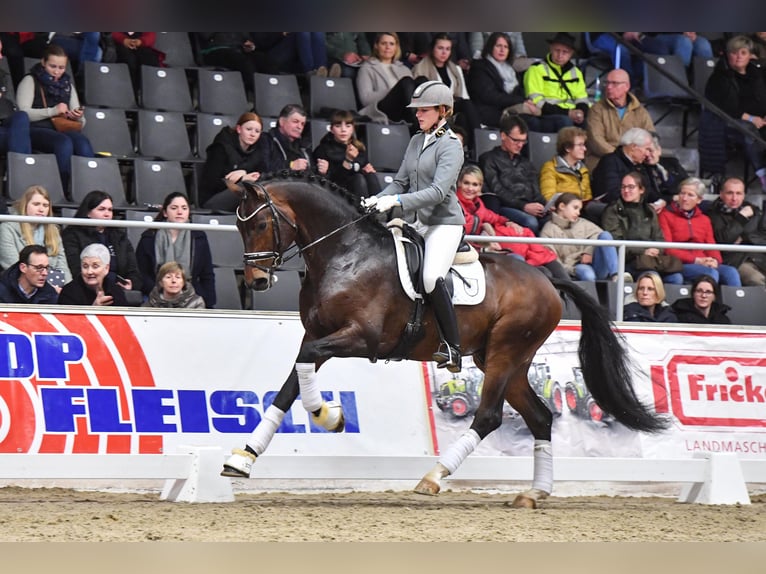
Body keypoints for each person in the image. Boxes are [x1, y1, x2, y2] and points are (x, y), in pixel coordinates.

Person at [361, 81, 465, 372]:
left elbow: (437, 192)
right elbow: (400, 181)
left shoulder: (451, 145)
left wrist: (395, 200)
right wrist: (377, 199)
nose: (418, 115)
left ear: (443, 111)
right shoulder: (416, 140)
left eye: (424, 110)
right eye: (417, 110)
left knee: (432, 278)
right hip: (415, 222)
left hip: (443, 224)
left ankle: (452, 346)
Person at [457, 165, 569, 281]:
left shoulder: (478, 204)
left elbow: (494, 217)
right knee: (518, 260)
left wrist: (508, 222)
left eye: (475, 184)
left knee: (547, 268)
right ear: (459, 183)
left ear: (480, 187)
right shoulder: (454, 204)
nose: (470, 188)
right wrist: (484, 246)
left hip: (483, 248)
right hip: (466, 251)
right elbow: (458, 235)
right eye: (466, 183)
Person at [16, 43, 94, 193]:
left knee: (83, 142)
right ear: (43, 62)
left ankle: (87, 190)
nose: (57, 72)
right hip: (36, 128)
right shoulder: (31, 80)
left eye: (61, 68)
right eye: (53, 66)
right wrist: (52, 111)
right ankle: (61, 190)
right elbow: (23, 113)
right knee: (63, 143)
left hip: (61, 128)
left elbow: (82, 122)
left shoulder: (67, 85)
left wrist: (76, 116)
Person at [704, 35, 766, 192]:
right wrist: (751, 118)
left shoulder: (756, 74)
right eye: (734, 52)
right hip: (728, 123)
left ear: (750, 55)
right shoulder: (719, 77)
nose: (739, 56)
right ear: (727, 54)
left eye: (743, 53)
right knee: (748, 129)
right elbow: (724, 108)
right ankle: (763, 174)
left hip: (759, 120)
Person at [135, 192, 216, 308]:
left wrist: (208, 302)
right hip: (155, 296)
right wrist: (160, 290)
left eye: (184, 208)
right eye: (174, 208)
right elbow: (141, 272)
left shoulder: (199, 237)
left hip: (191, 296)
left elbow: (207, 274)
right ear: (165, 212)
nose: (179, 212)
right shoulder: (149, 237)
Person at [601, 172, 683, 284]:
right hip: (628, 261)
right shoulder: (613, 210)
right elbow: (616, 242)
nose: (626, 191)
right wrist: (643, 251)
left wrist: (656, 250)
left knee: (676, 278)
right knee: (653, 277)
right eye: (623, 187)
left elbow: (659, 239)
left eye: (631, 187)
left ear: (641, 190)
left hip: (649, 261)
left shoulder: (650, 211)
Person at [658, 177, 742, 286]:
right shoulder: (665, 215)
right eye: (682, 193)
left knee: (731, 272)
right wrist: (696, 260)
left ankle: (732, 303)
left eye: (690, 195)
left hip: (702, 261)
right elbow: (668, 249)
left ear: (699, 200)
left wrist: (715, 260)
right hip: (678, 263)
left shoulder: (704, 219)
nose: (684, 198)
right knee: (710, 273)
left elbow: (711, 245)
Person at [478, 113, 547, 234]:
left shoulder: (526, 163)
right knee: (530, 222)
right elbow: (497, 191)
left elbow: (535, 190)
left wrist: (544, 205)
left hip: (528, 207)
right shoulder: (488, 159)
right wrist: (524, 206)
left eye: (523, 141)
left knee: (556, 220)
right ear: (503, 136)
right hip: (506, 207)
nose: (520, 145)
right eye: (516, 140)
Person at [61, 190, 141, 291]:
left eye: (110, 210)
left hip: (119, 289)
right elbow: (76, 269)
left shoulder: (120, 236)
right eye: (101, 209)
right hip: (86, 289)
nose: (107, 214)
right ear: (88, 213)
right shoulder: (72, 235)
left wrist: (131, 284)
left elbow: (133, 270)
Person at [412, 33, 481, 150]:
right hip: (433, 108)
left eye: (447, 49)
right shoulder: (420, 68)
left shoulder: (455, 69)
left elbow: (464, 95)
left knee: (466, 106)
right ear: (432, 49)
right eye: (440, 48)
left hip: (452, 107)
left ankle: (476, 148)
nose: (444, 52)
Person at [466, 32, 546, 130]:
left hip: (510, 109)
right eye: (498, 46)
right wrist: (521, 101)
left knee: (545, 121)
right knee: (530, 122)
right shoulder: (480, 66)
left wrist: (526, 101)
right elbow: (490, 96)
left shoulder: (511, 69)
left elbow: (519, 92)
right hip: (490, 112)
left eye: (506, 47)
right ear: (491, 47)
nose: (502, 50)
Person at [540, 192, 626, 282]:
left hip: (597, 265)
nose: (578, 213)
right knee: (587, 273)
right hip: (573, 268)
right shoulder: (548, 230)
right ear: (562, 206)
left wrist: (588, 252)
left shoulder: (582, 222)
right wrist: (572, 269)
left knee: (605, 235)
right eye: (575, 208)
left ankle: (617, 275)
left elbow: (599, 234)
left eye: (579, 210)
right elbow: (553, 262)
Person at [0, 185, 72, 291]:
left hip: (54, 288)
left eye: (45, 205)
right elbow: (13, 266)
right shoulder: (7, 228)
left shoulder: (54, 231)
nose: (41, 209)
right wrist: (49, 289)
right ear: (25, 205)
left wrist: (67, 291)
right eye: (36, 204)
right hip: (18, 288)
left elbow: (63, 266)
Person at [584, 68, 655, 171]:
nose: (609, 87)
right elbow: (596, 141)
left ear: (626, 86)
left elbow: (651, 136)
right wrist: (623, 157)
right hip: (602, 163)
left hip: (634, 163)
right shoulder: (596, 110)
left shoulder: (640, 111)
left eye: (614, 83)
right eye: (607, 83)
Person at [199, 111, 271, 212]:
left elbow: (262, 174)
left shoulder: (259, 151)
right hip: (212, 199)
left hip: (242, 199)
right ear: (239, 129)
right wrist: (242, 179)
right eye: (249, 129)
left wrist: (244, 173)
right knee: (250, 187)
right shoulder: (220, 148)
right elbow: (211, 185)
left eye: (257, 131)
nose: (252, 134)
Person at [523, 32, 590, 130]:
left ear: (571, 54)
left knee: (591, 121)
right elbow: (536, 100)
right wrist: (568, 113)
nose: (560, 55)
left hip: (570, 114)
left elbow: (582, 97)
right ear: (550, 49)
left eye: (565, 52)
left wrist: (581, 112)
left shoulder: (576, 72)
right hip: (545, 114)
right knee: (565, 121)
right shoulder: (536, 69)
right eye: (557, 50)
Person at [356, 33, 425, 125]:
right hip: (382, 109)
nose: (388, 47)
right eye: (384, 43)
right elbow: (365, 99)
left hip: (404, 109)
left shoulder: (404, 69)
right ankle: (418, 123)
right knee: (406, 82)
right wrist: (394, 91)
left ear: (396, 47)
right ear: (376, 46)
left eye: (392, 44)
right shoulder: (367, 68)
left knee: (422, 80)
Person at [709, 176, 766, 286]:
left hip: (759, 258)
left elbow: (764, 236)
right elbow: (723, 239)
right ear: (721, 194)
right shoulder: (713, 214)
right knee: (757, 280)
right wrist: (741, 218)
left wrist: (745, 238)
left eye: (739, 193)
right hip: (735, 261)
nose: (734, 198)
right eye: (730, 193)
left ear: (744, 195)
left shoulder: (755, 211)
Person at [312, 109, 380, 200]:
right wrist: (348, 160)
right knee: (358, 178)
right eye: (338, 126)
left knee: (371, 175)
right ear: (332, 129)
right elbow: (334, 180)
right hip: (336, 194)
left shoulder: (358, 148)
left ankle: (380, 209)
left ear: (352, 129)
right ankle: (364, 212)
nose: (343, 130)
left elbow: (365, 167)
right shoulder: (323, 150)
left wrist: (367, 170)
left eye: (348, 126)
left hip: (358, 191)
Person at [0, 36, 33, 199]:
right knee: (20, 137)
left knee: (21, 117)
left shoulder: (1, 74)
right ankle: (19, 179)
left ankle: (15, 174)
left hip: (4, 123)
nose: (1, 56)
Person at [590, 127, 653, 207]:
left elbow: (648, 190)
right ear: (633, 147)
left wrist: (663, 200)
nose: (648, 154)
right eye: (646, 149)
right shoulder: (610, 162)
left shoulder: (640, 165)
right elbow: (612, 194)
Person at [58, 243, 129, 306]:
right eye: (85, 266)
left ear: (106, 268)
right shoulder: (69, 292)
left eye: (95, 266)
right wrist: (94, 309)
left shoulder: (115, 291)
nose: (89, 272)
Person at [539, 126, 592, 204]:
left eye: (584, 145)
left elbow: (588, 197)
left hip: (582, 209)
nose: (584, 148)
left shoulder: (583, 169)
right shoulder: (550, 168)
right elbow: (549, 198)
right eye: (580, 145)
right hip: (562, 210)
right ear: (567, 148)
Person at [196, 33, 261, 92]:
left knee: (258, 59)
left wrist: (250, 46)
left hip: (237, 52)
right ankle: (256, 92)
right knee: (240, 61)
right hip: (213, 50)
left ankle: (258, 93)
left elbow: (248, 40)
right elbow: (205, 36)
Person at [642, 131, 687, 211]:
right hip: (662, 205)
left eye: (651, 151)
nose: (648, 155)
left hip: (682, 200)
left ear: (659, 150)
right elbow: (650, 195)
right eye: (645, 152)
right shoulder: (641, 169)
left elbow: (687, 181)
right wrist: (671, 198)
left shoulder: (672, 163)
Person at [264, 104, 313, 173]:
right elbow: (264, 167)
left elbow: (312, 174)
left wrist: (322, 172)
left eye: (302, 124)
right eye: (295, 121)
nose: (299, 127)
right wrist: (290, 165)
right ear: (282, 121)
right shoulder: (266, 140)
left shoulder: (303, 147)